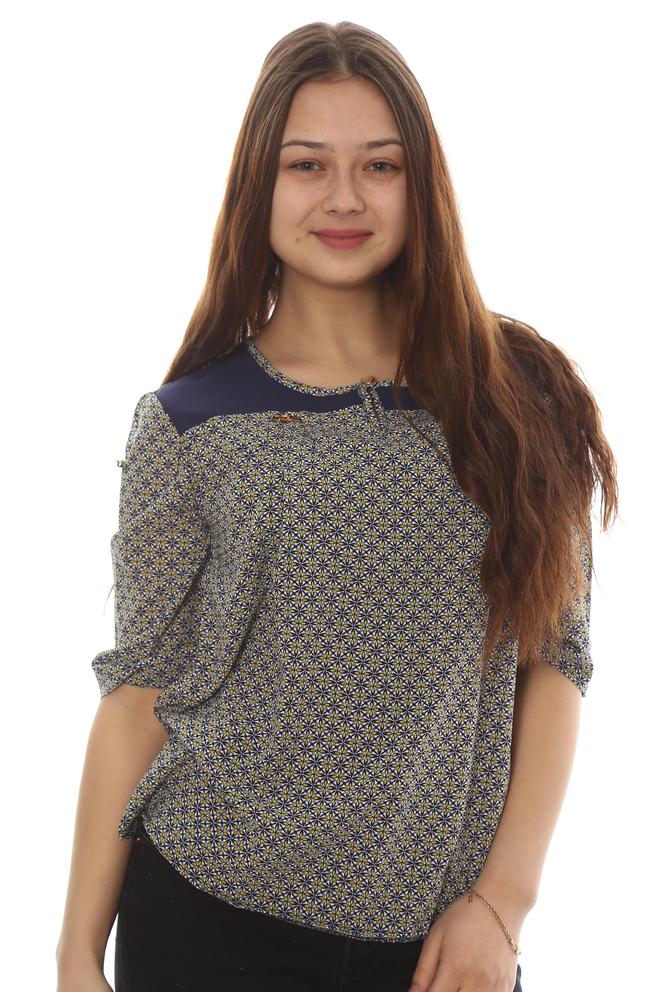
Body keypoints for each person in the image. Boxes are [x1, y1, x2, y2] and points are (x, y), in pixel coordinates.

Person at [55, 19, 619, 992]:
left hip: (445, 944)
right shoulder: (188, 421)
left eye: (380, 166)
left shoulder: (516, 397)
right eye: (307, 164)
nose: (345, 197)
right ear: (258, 186)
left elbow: (555, 662)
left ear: (421, 184)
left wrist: (501, 906)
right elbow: (140, 695)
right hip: (208, 919)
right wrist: (75, 956)